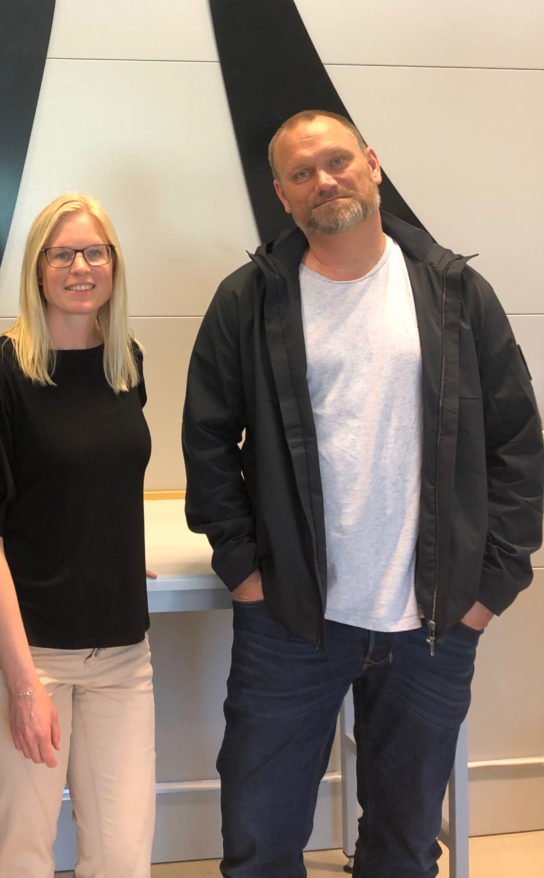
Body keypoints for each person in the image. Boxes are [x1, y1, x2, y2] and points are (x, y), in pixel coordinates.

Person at [182, 109, 543, 878]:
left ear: (372, 165)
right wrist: (245, 574)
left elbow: (518, 444)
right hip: (291, 621)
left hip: (434, 624)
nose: (324, 180)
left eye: (338, 161)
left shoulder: (455, 293)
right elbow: (207, 444)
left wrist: (492, 587)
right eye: (302, 172)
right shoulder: (250, 301)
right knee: (258, 841)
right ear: (282, 195)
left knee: (403, 851)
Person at [0, 193, 155, 877]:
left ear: (114, 264)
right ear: (37, 269)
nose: (80, 267)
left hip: (121, 653)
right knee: (22, 859)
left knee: (123, 859)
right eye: (61, 254)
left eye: (95, 251)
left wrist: (105, 547)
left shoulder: (126, 362)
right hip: (25, 654)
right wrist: (22, 685)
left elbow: (100, 475)